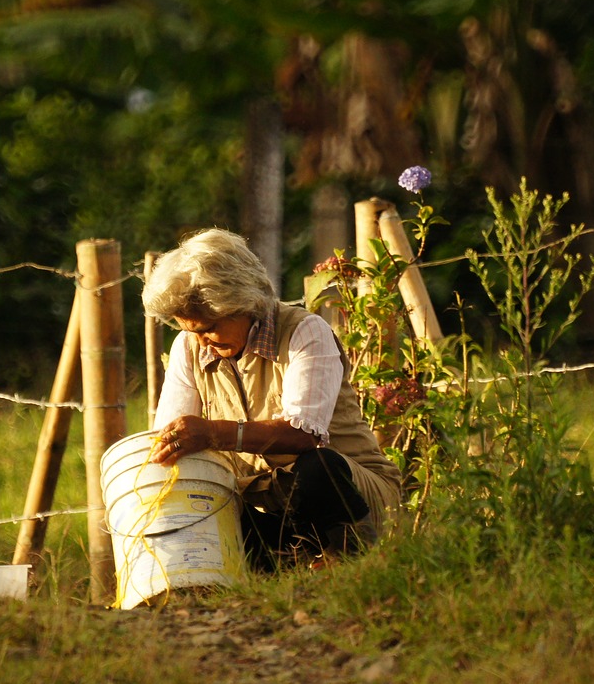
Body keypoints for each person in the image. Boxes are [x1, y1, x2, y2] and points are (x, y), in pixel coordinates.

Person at [142, 228, 401, 570]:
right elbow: (171, 442)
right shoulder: (189, 348)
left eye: (208, 328)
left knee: (318, 467)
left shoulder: (304, 331)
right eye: (192, 331)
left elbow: (303, 435)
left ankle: (350, 565)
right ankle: (282, 568)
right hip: (269, 508)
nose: (201, 341)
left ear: (241, 304)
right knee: (200, 497)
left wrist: (214, 433)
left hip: (351, 497)